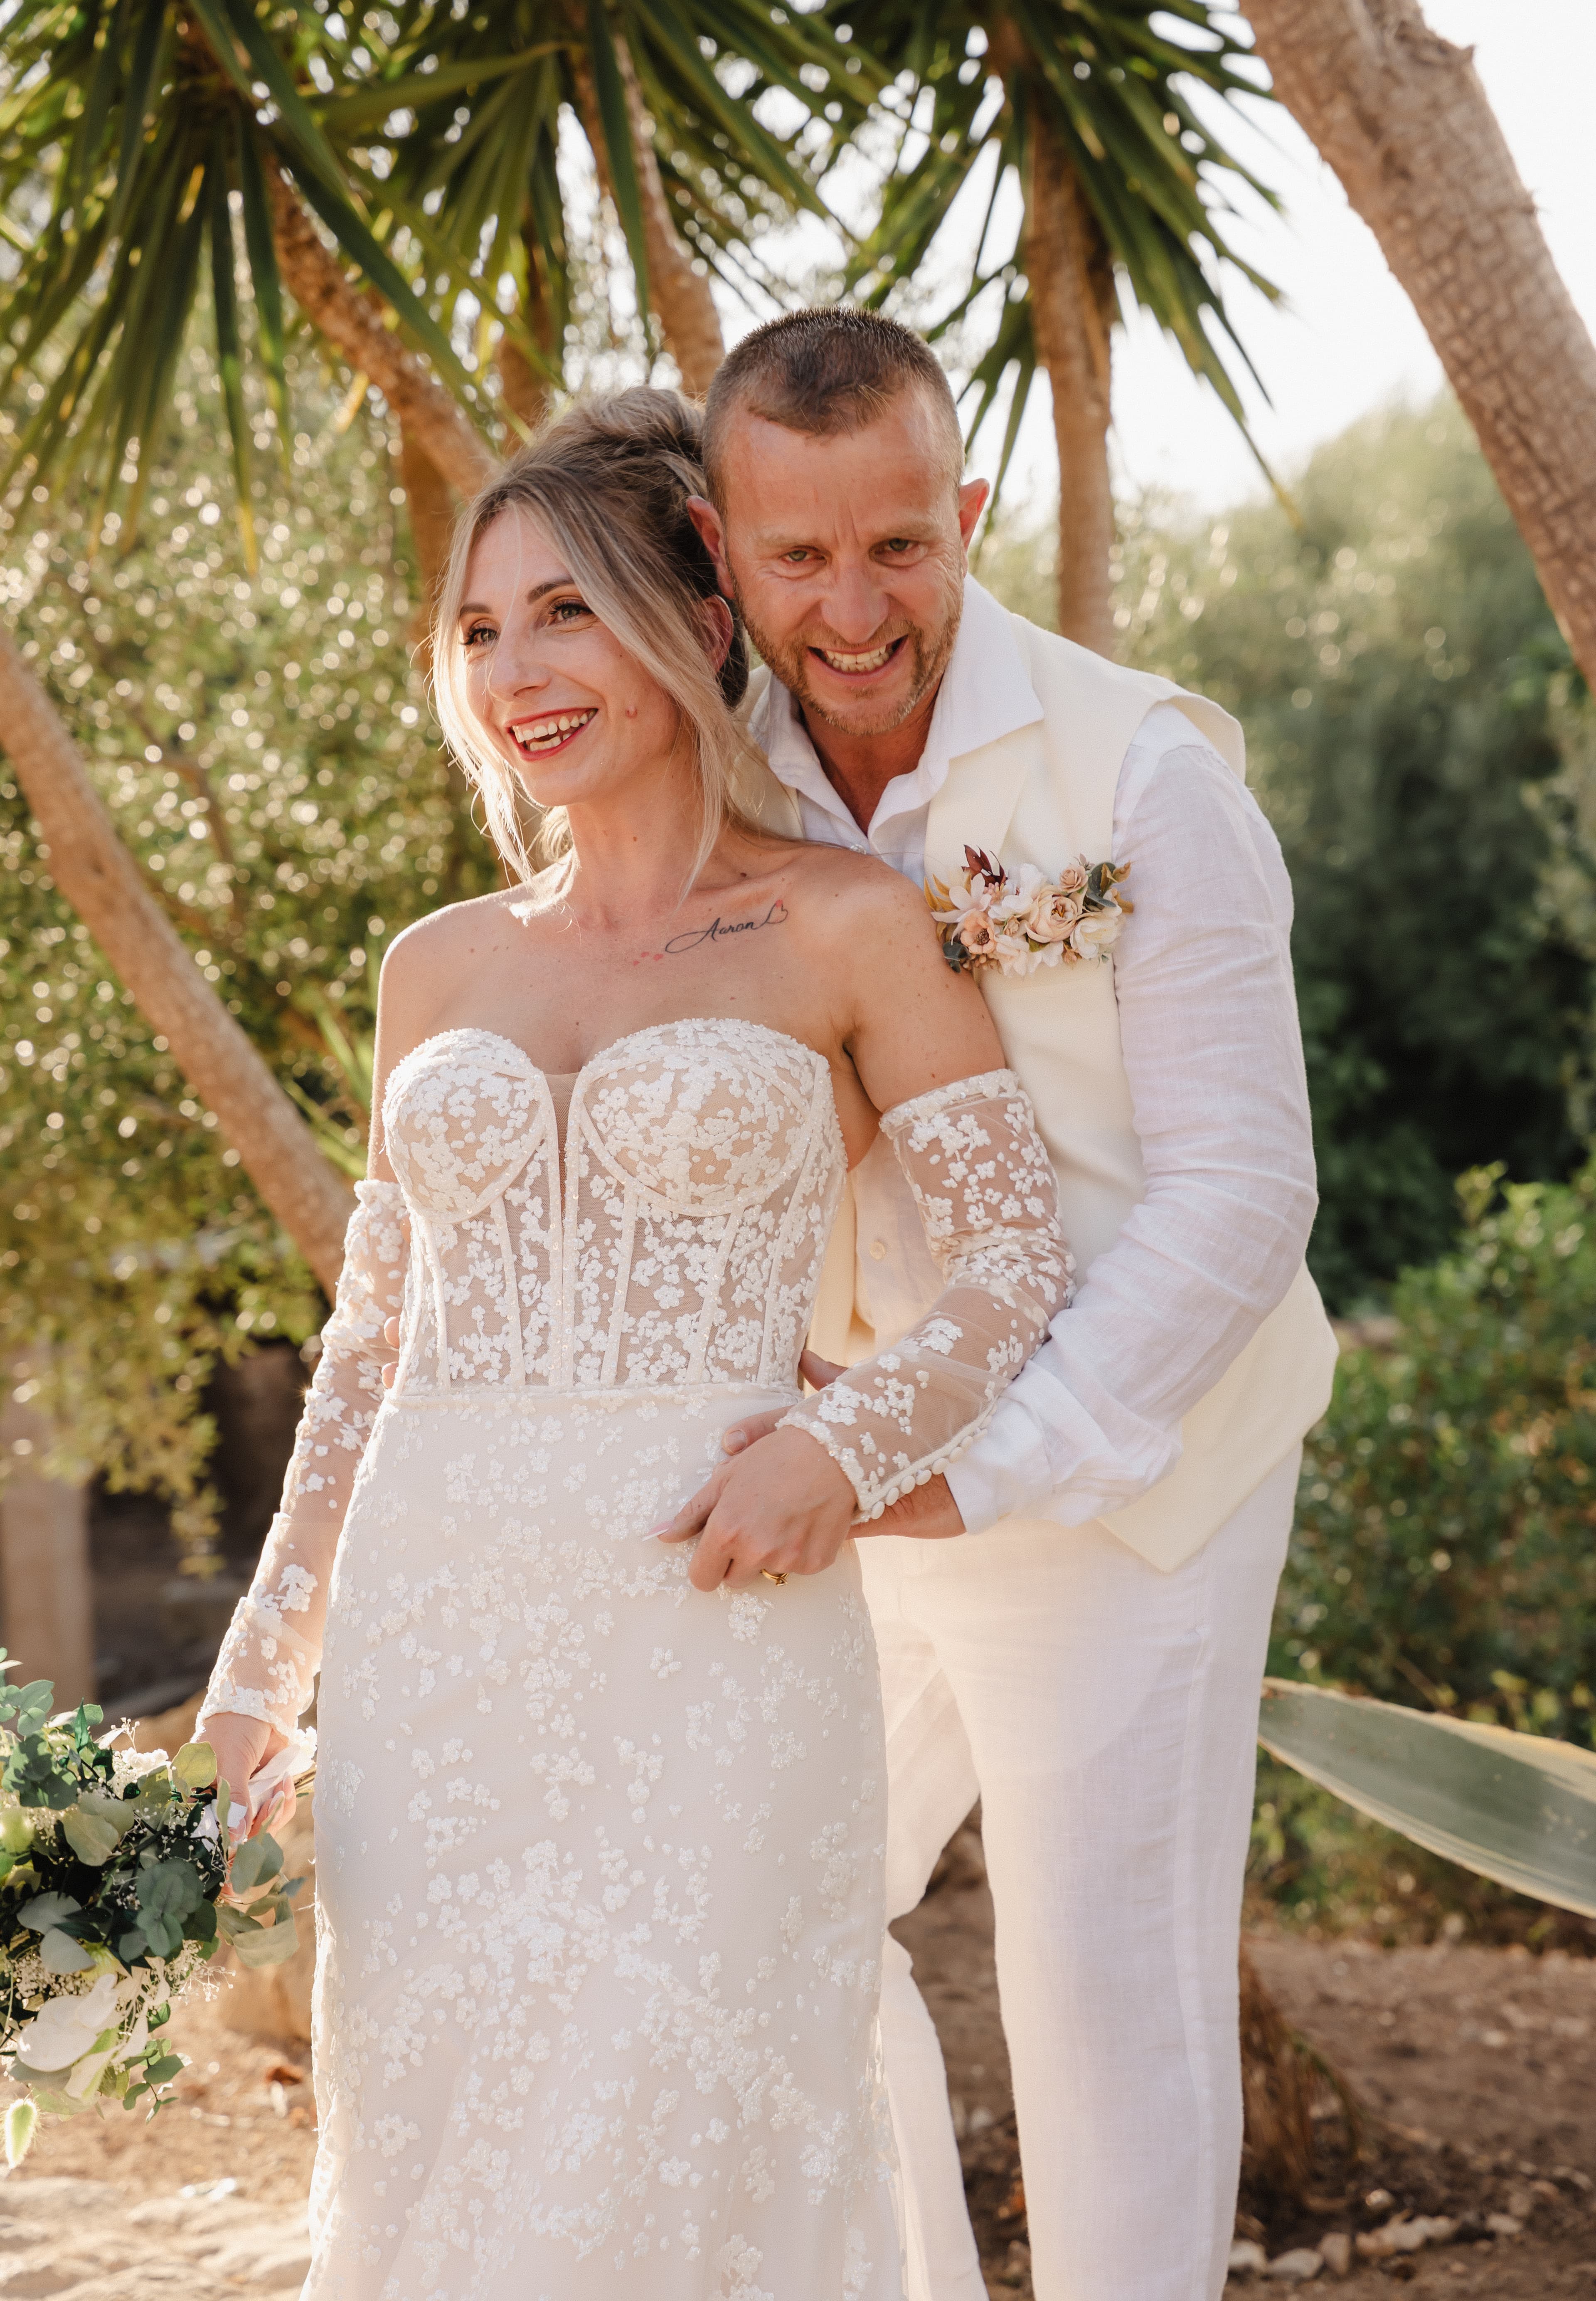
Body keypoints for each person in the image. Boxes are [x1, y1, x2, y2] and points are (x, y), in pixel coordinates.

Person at [195, 387, 1071, 2300]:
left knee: (701, 2115)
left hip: (717, 1612)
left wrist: (837, 1455)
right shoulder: (434, 965)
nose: (518, 670)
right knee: (448, 2136)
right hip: (437, 1649)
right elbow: (369, 1350)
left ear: (687, 611)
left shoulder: (848, 922)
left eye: (566, 610)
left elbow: (1015, 1259)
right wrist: (262, 1682)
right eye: (483, 628)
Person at [674, 308, 1340, 2301]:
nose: (856, 607)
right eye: (800, 559)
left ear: (968, 513)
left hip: (1134, 1474)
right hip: (855, 1466)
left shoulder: (1143, 774)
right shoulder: (714, 783)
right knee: (772, 1920)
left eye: (901, 545)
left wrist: (1004, 1463)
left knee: (1098, 1999)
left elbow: (1244, 1197)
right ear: (720, 552)